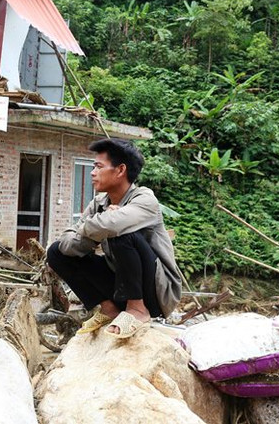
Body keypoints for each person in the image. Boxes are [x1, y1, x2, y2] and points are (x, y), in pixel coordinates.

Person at [47, 138, 182, 338]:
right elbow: (68, 242)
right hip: (120, 284)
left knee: (123, 234)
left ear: (120, 171)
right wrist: (98, 227)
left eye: (99, 167)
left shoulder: (145, 199)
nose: (93, 172)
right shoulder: (99, 203)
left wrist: (98, 226)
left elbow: (111, 226)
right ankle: (109, 310)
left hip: (155, 293)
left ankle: (137, 310)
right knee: (56, 252)